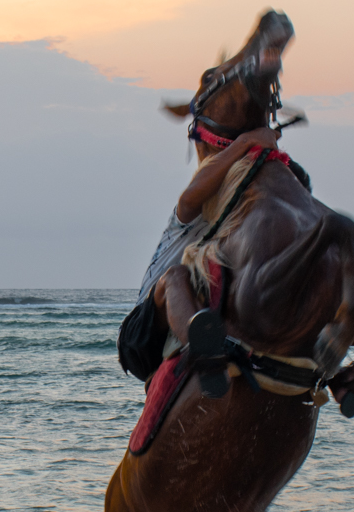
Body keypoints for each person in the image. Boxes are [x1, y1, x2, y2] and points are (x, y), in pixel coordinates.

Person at [118, 127, 279, 390]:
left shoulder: (239, 228)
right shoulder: (186, 218)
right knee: (175, 276)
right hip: (142, 339)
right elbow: (193, 192)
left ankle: (333, 375)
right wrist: (245, 142)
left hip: (202, 321)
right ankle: (205, 360)